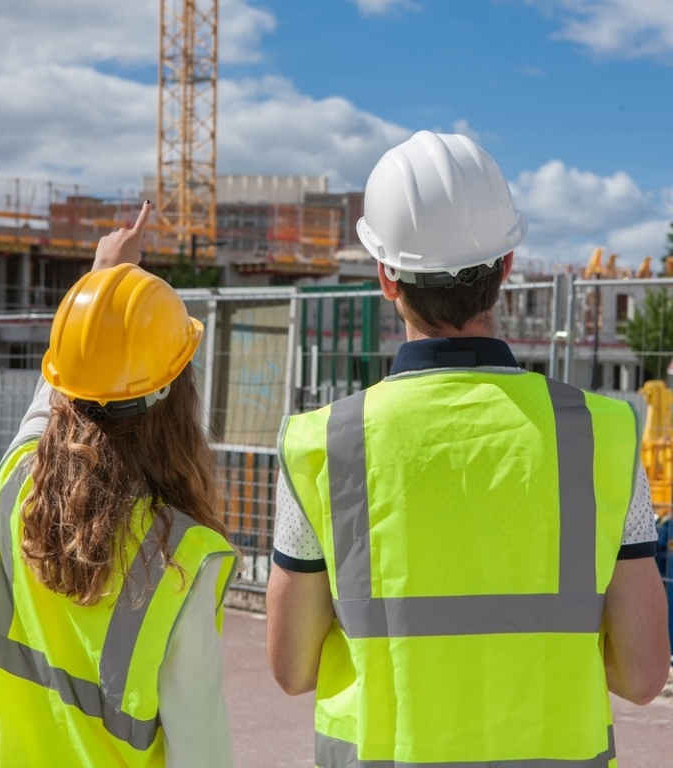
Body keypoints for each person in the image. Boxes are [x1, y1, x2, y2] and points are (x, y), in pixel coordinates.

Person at [266, 131, 670, 767]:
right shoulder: (604, 435)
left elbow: (291, 668)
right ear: (506, 267)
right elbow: (645, 675)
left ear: (386, 277)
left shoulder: (322, 443)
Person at [0, 202, 238, 768]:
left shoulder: (11, 490)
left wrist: (101, 279)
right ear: (175, 396)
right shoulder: (181, 560)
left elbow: (51, 403)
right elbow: (201, 754)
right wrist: (107, 285)